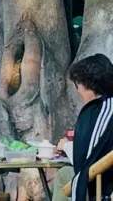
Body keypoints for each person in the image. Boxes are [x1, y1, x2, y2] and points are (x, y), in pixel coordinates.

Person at [52, 54, 113, 201]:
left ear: (88, 84)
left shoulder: (101, 111)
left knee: (67, 177)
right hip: (104, 177)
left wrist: (66, 146)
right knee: (64, 174)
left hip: (103, 187)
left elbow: (87, 161)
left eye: (77, 85)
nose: (78, 91)